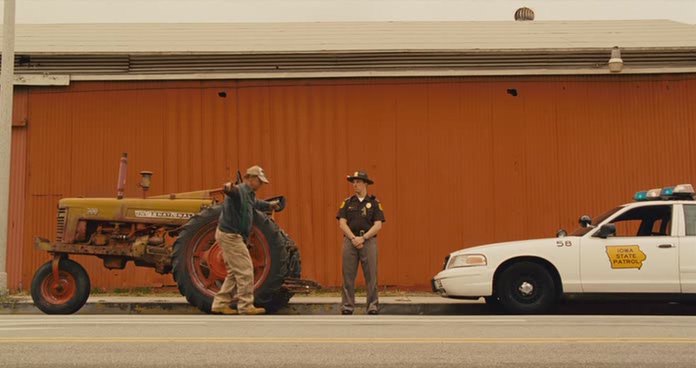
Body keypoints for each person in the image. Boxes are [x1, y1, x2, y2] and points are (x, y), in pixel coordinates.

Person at [211, 165, 280, 315]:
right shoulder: (240, 191)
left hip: (228, 234)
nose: (261, 185)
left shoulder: (249, 194)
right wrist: (228, 187)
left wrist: (270, 205)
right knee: (245, 270)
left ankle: (220, 303)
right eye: (260, 181)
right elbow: (231, 191)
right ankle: (245, 306)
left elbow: (255, 204)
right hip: (231, 235)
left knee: (234, 272)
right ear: (251, 179)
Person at [336, 171, 385, 315]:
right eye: (353, 182)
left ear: (365, 184)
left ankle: (372, 306)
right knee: (348, 275)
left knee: (371, 275)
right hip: (350, 241)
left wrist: (363, 238)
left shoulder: (374, 203)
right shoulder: (347, 202)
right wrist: (353, 238)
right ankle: (347, 306)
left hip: (368, 241)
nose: (354, 185)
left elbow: (378, 225)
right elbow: (342, 223)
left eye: (357, 182)